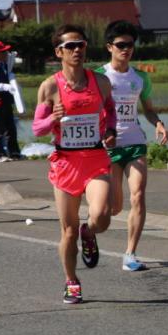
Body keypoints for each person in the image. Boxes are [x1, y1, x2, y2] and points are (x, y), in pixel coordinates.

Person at [31, 24, 117, 305]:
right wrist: (52, 120)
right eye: (70, 46)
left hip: (94, 158)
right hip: (65, 163)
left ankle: (89, 232)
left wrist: (110, 131)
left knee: (102, 214)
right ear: (59, 52)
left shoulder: (100, 82)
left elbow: (111, 111)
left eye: (80, 44)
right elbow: (36, 128)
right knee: (67, 231)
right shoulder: (50, 86)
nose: (77, 50)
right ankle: (72, 281)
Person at [96, 21, 168, 273]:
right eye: (121, 45)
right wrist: (104, 131)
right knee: (113, 208)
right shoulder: (99, 76)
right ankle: (88, 229)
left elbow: (147, 109)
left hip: (135, 142)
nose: (126, 49)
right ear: (109, 47)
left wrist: (158, 123)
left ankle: (130, 253)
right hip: (109, 147)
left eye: (130, 45)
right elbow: (91, 111)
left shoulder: (140, 78)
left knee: (138, 196)